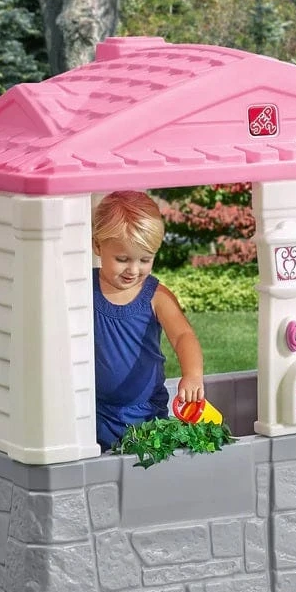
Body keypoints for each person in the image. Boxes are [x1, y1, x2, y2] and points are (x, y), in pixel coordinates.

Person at [92, 190, 205, 450]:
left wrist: (192, 375)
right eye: (122, 259)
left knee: (146, 462)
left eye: (145, 259)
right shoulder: (85, 289)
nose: (133, 269)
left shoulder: (156, 296)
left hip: (146, 413)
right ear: (97, 246)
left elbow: (183, 336)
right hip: (96, 410)